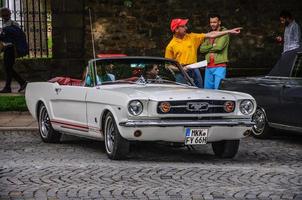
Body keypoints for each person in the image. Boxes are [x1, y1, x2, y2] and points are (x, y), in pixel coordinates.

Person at [165, 18, 241, 88]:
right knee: (183, 93)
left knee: (200, 91)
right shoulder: (171, 46)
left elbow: (211, 34)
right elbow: (167, 66)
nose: (186, 28)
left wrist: (229, 31)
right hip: (181, 71)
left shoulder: (191, 37)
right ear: (176, 29)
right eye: (183, 26)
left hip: (194, 68)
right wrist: (181, 69)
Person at [0, 7, 28, 93]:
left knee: (8, 68)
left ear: (9, 14)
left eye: (6, 15)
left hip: (12, 49)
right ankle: (21, 83)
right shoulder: (4, 24)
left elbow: (17, 37)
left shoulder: (14, 24)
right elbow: (4, 37)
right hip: (6, 48)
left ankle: (11, 86)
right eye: (3, 15)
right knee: (8, 68)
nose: (5, 17)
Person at [200, 14, 230, 89]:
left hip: (220, 66)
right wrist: (212, 45)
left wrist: (208, 47)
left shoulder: (224, 33)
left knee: (218, 90)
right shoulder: (209, 33)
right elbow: (201, 49)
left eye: (214, 22)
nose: (212, 24)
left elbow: (219, 47)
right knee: (207, 91)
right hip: (208, 66)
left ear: (219, 22)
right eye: (211, 22)